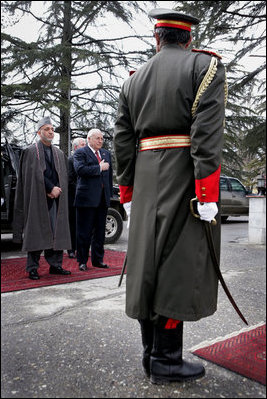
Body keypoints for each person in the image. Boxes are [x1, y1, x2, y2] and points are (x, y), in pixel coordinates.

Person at [114, 8, 227, 384]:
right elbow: (206, 136)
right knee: (179, 265)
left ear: (156, 38)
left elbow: (123, 141)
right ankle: (165, 358)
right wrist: (207, 192)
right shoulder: (205, 68)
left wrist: (127, 191)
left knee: (146, 263)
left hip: (145, 178)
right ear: (189, 39)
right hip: (184, 176)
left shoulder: (133, 81)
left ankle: (151, 354)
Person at [13, 116, 72, 280]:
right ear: (39, 132)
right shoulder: (31, 151)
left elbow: (62, 175)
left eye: (52, 129)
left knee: (56, 231)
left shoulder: (59, 153)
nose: (51, 132)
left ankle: (55, 265)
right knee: (36, 232)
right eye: (47, 129)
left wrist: (57, 190)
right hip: (38, 199)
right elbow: (31, 175)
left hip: (56, 199)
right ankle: (32, 267)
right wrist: (48, 188)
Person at [73, 128, 113, 271]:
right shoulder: (80, 153)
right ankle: (82, 261)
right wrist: (98, 168)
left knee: (100, 232)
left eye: (102, 138)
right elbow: (80, 170)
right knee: (84, 232)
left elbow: (109, 176)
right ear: (89, 139)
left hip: (102, 199)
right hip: (86, 199)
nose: (100, 141)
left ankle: (98, 260)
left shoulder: (106, 154)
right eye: (97, 138)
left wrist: (109, 195)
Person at [67, 137, 86, 258]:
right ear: (75, 147)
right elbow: (70, 179)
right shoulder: (70, 160)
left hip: (85, 197)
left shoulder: (87, 159)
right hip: (73, 196)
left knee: (83, 225)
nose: (85, 146)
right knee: (73, 224)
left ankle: (81, 249)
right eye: (83, 144)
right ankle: (71, 249)